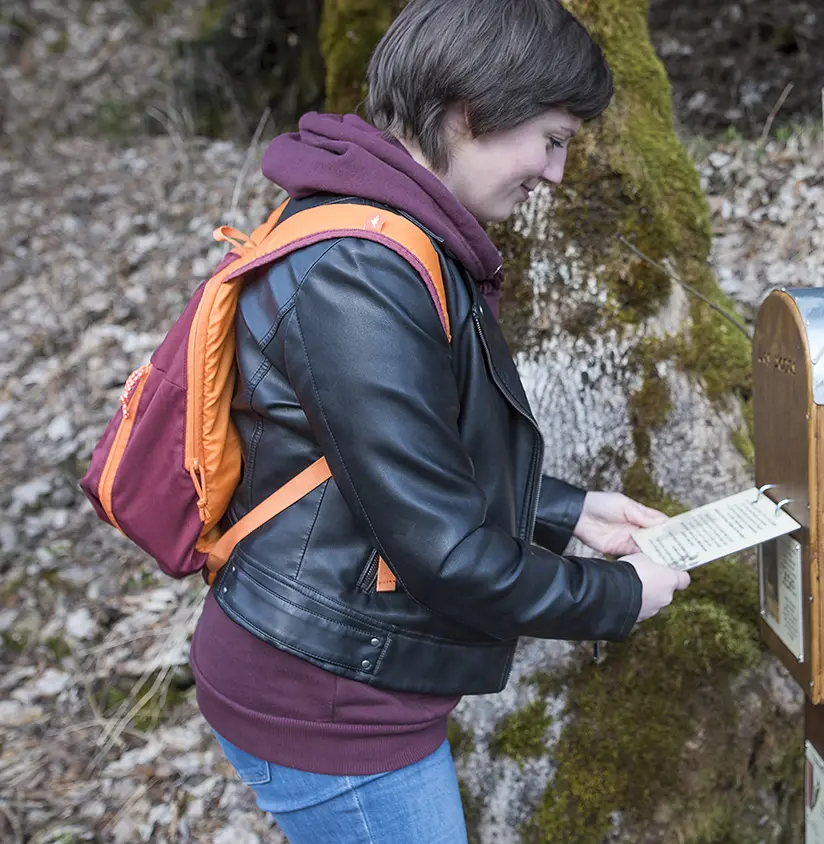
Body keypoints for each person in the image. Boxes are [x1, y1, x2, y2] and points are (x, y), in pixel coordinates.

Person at [188, 1, 690, 841]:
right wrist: (619, 595)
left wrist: (568, 511)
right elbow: (445, 550)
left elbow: (392, 464)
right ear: (469, 111)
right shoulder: (359, 270)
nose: (557, 172)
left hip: (339, 670)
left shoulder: (392, 233)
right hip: (326, 700)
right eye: (552, 139)